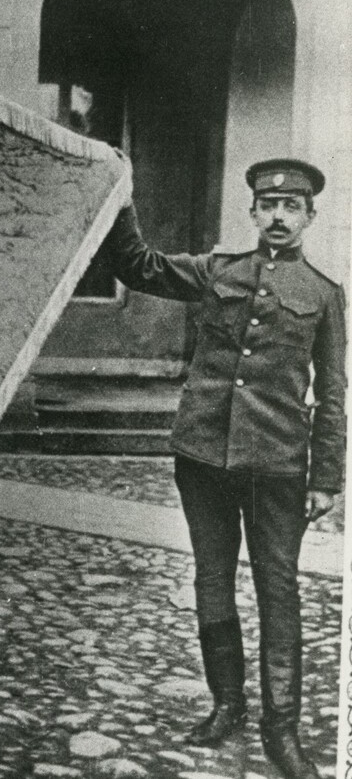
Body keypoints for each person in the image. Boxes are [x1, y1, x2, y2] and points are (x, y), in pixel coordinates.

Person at [102, 156, 345, 779]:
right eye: (269, 206)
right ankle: (227, 706)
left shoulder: (324, 295)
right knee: (212, 579)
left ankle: (282, 730)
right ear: (253, 212)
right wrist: (117, 193)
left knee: (278, 590)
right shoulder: (218, 271)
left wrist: (326, 479)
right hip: (204, 454)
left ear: (310, 217)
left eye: (292, 207)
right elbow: (138, 266)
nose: (280, 216)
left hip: (278, 464)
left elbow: (335, 392)